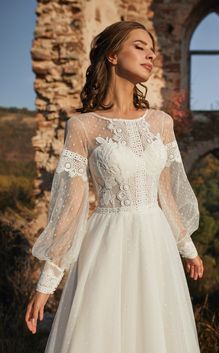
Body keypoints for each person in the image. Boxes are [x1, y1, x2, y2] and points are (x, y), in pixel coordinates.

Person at [25, 20, 204, 352]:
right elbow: (71, 208)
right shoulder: (81, 126)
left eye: (152, 48)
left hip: (156, 247)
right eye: (139, 46)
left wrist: (187, 247)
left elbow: (166, 192)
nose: (150, 54)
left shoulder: (161, 123)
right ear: (111, 55)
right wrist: (46, 283)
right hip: (105, 246)